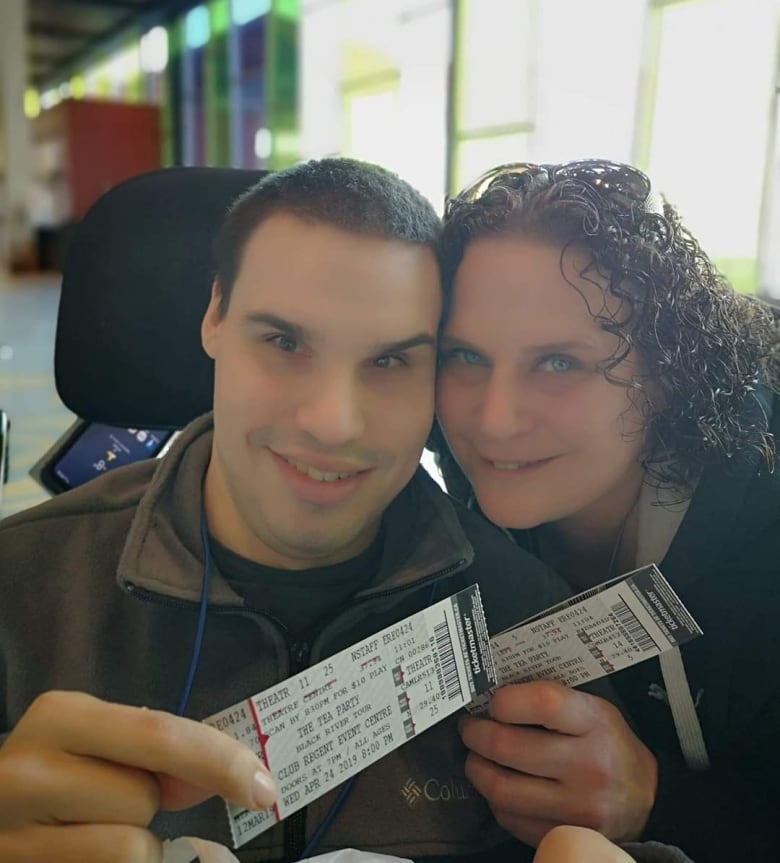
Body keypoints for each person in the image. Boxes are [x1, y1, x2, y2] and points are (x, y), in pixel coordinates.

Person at [0, 156, 642, 863]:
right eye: (284, 342)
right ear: (214, 316)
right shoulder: (20, 591)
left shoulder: (524, 625)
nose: (335, 423)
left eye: (391, 361)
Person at [432, 158, 780, 862]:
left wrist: (657, 799)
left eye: (559, 363)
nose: (494, 421)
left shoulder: (764, 543)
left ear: (665, 373)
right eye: (465, 355)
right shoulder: (448, 505)